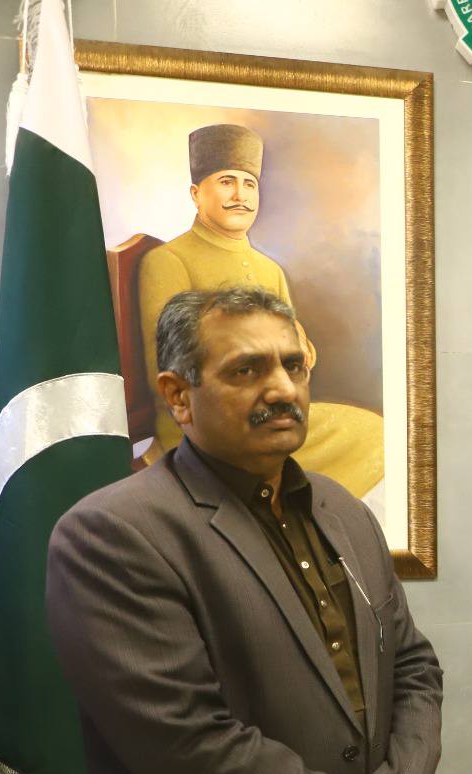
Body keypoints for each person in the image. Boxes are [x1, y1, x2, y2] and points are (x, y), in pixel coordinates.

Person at [45, 287, 445, 774]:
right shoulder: (114, 533)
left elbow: (414, 669)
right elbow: (189, 744)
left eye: (295, 365)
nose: (283, 388)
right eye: (247, 369)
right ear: (178, 395)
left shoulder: (344, 513)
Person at [137, 123, 384, 497]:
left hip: (271, 415)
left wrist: (299, 351)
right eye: (226, 182)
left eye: (249, 184)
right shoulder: (168, 260)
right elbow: (166, 366)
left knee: (374, 434)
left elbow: (296, 363)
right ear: (196, 194)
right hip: (210, 429)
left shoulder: (270, 270)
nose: (240, 195)